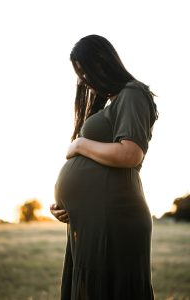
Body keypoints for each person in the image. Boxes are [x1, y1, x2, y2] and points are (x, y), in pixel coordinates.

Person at [50, 34, 158, 300]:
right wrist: (65, 206)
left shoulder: (133, 93)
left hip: (114, 218)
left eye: (85, 70)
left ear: (102, 61)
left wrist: (79, 145)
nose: (84, 79)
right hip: (94, 219)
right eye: (79, 73)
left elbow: (131, 153)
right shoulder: (114, 102)